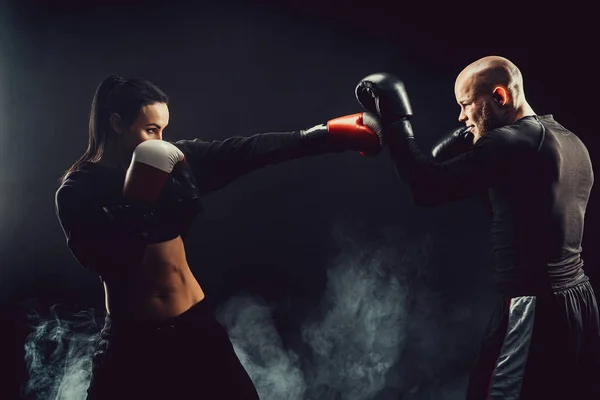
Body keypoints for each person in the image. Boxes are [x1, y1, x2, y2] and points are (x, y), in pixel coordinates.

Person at [54, 75, 383, 399]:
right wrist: (139, 198)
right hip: (133, 340)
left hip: (195, 328)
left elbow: (249, 150)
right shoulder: (78, 191)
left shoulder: (174, 161)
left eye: (163, 130)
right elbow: (101, 259)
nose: (160, 140)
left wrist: (326, 136)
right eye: (150, 130)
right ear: (116, 123)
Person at [355, 56, 600, 399]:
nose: (461, 116)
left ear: (499, 97)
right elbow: (518, 215)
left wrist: (395, 118)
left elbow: (425, 189)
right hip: (580, 303)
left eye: (466, 104)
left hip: (534, 308)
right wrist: (465, 142)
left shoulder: (510, 143)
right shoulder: (568, 140)